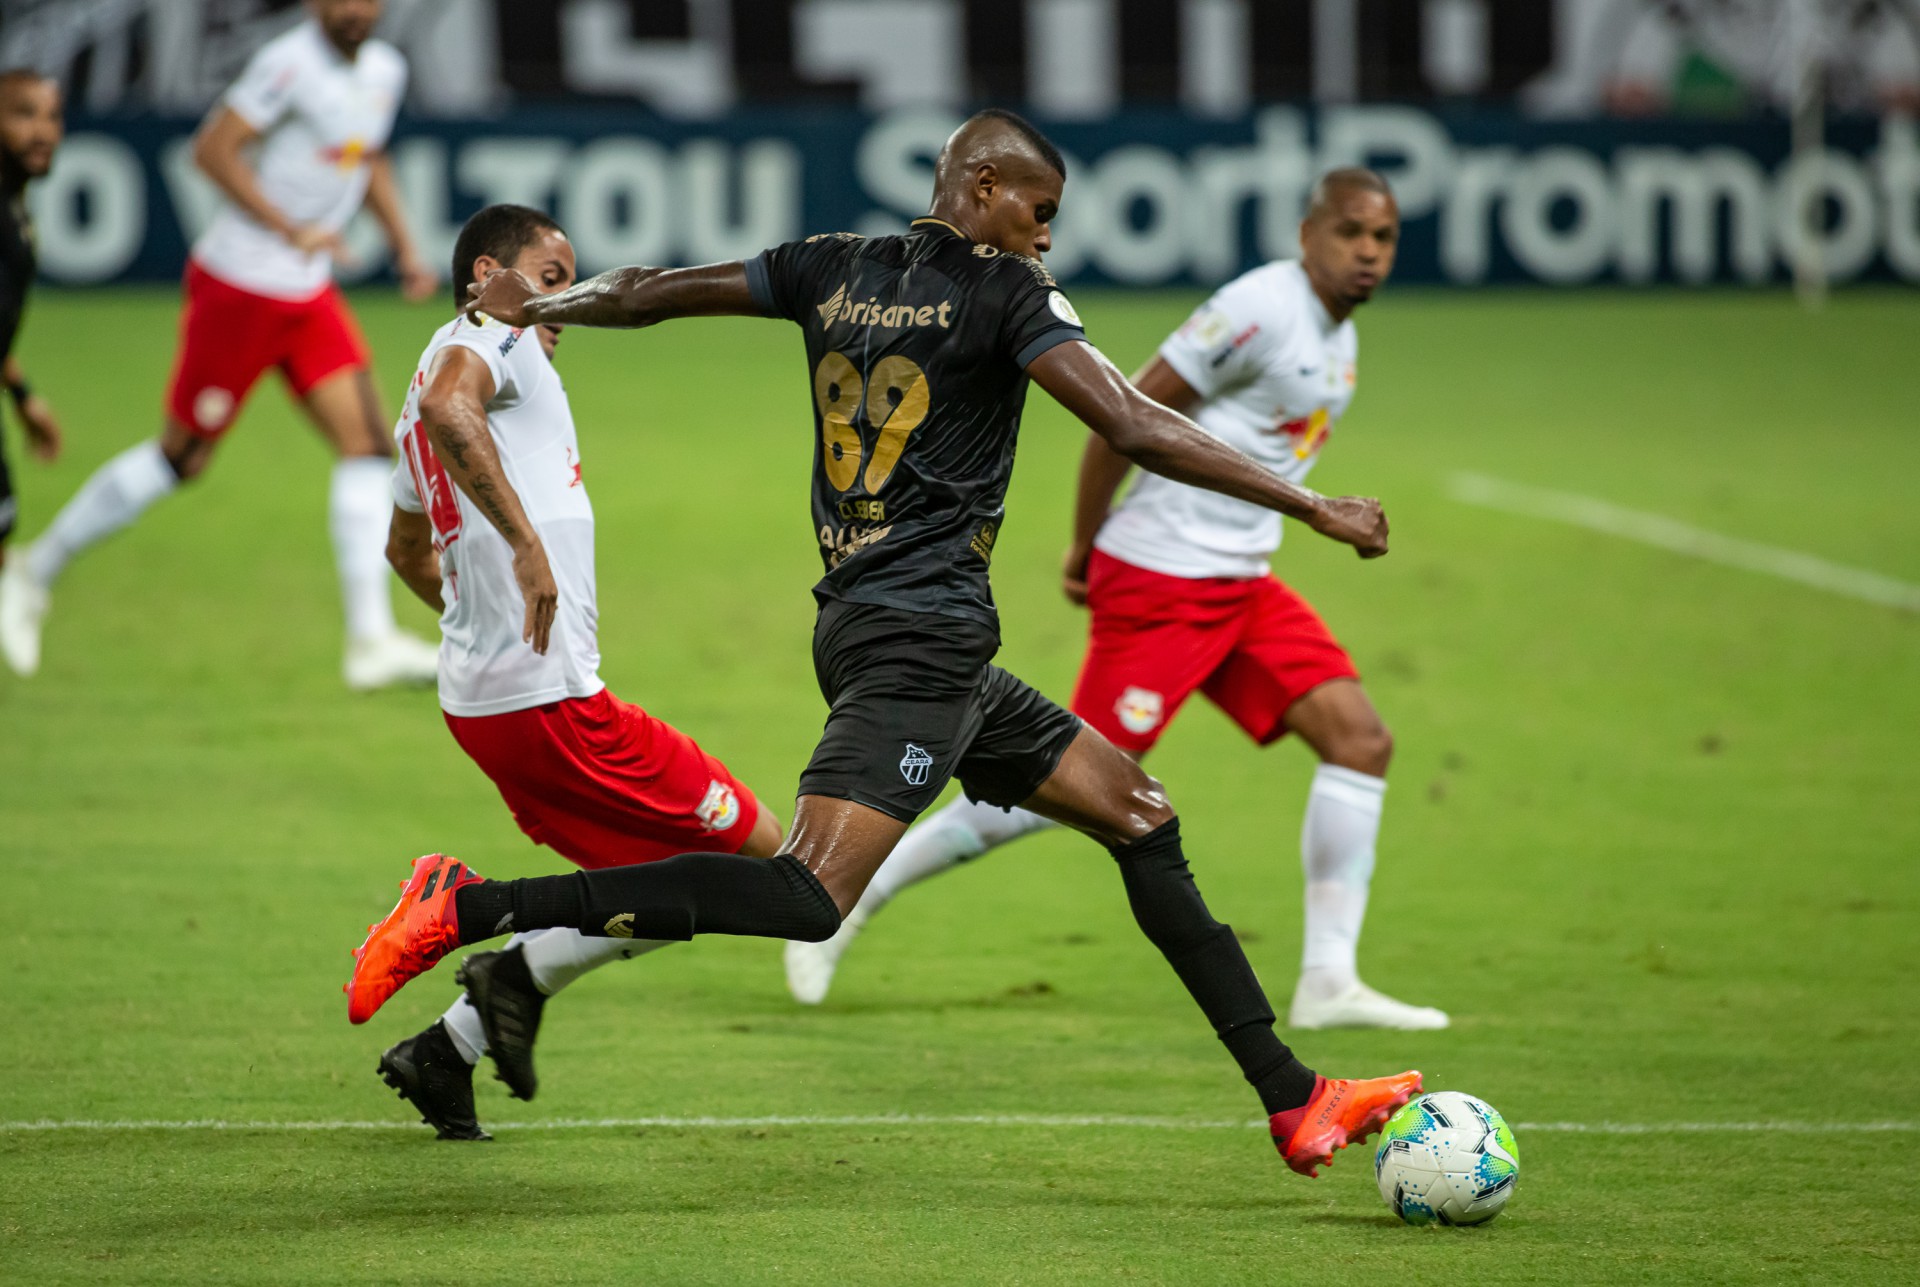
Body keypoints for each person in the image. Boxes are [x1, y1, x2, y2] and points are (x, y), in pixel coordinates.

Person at [350, 110, 1420, 1178]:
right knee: (808, 899)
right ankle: (472, 908)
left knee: (1140, 815)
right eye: (1039, 213)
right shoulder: (1010, 292)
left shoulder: (831, 265)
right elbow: (1134, 422)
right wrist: (1310, 503)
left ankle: (1294, 1099)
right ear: (987, 186)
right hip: (919, 644)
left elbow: (646, 292)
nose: (1046, 237)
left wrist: (543, 302)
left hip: (895, 634)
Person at [784, 169, 1447, 1033]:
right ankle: (857, 900)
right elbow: (1126, 411)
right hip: (1164, 579)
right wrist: (1086, 545)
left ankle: (1328, 979)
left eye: (1383, 238)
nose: (1367, 253)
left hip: (1242, 580)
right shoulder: (1260, 309)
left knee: (1360, 740)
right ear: (1308, 230)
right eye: (1351, 233)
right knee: (1059, 787)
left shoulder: (1333, 329)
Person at [364, 205, 785, 1140]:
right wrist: (524, 551)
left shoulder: (439, 379)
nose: (574, 297)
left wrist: (481, 620)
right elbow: (450, 407)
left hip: (492, 706)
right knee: (779, 869)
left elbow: (404, 548)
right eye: (553, 278)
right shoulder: (487, 337)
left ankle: (450, 1045)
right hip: (554, 709)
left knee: (645, 890)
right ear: (487, 275)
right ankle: (465, 913)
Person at [0, 0, 440, 687]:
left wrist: (406, 244)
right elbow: (212, 151)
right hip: (241, 283)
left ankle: (371, 641)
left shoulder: (386, 68)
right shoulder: (287, 63)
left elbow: (367, 155)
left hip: (306, 289)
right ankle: (35, 570)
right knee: (181, 458)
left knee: (367, 446)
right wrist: (289, 224)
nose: (356, 10)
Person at [0, 71, 64, 574]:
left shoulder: (15, 204)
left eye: (52, 116)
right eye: (24, 114)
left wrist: (23, 398)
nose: (43, 132)